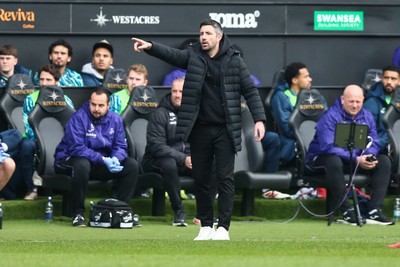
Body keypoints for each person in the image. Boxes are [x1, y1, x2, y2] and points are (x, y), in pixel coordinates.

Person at [131, 19, 266, 240]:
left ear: (219, 36)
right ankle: (205, 226)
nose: (202, 37)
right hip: (199, 129)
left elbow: (250, 91)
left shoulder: (235, 60)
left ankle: (223, 228)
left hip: (225, 129)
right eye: (201, 33)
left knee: (224, 179)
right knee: (201, 179)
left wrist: (259, 119)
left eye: (207, 33)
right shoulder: (193, 55)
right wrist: (150, 46)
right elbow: (172, 54)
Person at [305, 85, 394, 225]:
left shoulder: (367, 116)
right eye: (351, 101)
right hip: (321, 161)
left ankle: (374, 211)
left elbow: (374, 141)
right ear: (342, 100)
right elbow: (328, 147)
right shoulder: (329, 116)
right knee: (334, 161)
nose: (355, 105)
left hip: (354, 161)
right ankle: (346, 210)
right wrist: (356, 158)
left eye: (358, 102)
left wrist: (368, 156)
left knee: (383, 161)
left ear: (363, 100)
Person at [54, 87, 140, 227]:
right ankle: (78, 213)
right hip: (69, 160)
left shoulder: (116, 120)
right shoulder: (78, 118)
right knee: (82, 164)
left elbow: (121, 146)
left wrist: (116, 158)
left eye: (100, 105)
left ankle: (120, 210)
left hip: (100, 163)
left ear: (108, 105)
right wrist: (103, 159)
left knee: (132, 165)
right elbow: (77, 148)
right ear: (89, 103)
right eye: (93, 104)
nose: (96, 109)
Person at [19, 64, 75, 200]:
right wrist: (42, 141)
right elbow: (27, 125)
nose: (44, 83)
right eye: (42, 79)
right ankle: (32, 188)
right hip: (35, 140)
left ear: (56, 82)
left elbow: (72, 126)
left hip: (60, 140)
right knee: (26, 146)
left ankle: (67, 188)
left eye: (48, 80)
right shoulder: (30, 99)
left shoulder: (66, 100)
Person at [142, 77, 191, 227]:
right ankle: (179, 212)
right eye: (174, 91)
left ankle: (205, 212)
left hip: (184, 159)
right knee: (169, 164)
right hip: (156, 160)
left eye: (181, 91)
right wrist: (184, 158)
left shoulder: (194, 113)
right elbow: (157, 146)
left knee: (212, 161)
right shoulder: (160, 114)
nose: (177, 95)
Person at [271, 62, 317, 164]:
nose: (310, 79)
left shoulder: (313, 97)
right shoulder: (281, 97)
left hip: (311, 140)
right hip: (293, 144)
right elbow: (287, 128)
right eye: (306, 77)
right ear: (295, 80)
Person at [363, 65, 400, 152]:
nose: (389, 81)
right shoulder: (372, 102)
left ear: (399, 81)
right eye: (386, 78)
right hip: (378, 147)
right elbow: (368, 133)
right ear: (382, 78)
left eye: (393, 79)